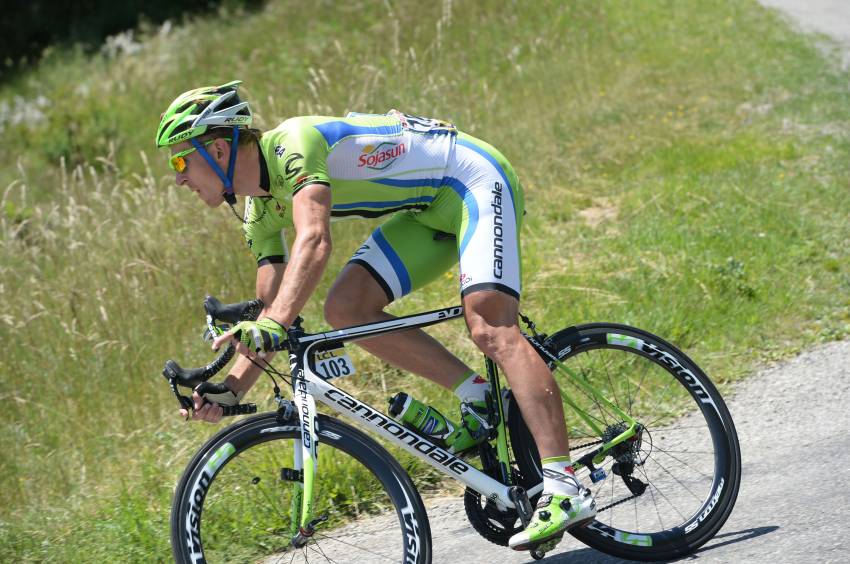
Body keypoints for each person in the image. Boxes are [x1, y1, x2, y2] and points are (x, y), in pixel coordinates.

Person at [156, 80, 596, 549]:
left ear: (219, 149)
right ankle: (480, 396)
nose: (178, 177)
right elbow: (271, 310)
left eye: (180, 161)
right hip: (426, 211)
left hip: (472, 178)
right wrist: (231, 390)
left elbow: (315, 241)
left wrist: (274, 322)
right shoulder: (258, 214)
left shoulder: (292, 145)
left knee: (490, 326)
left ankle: (564, 487)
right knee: (346, 308)